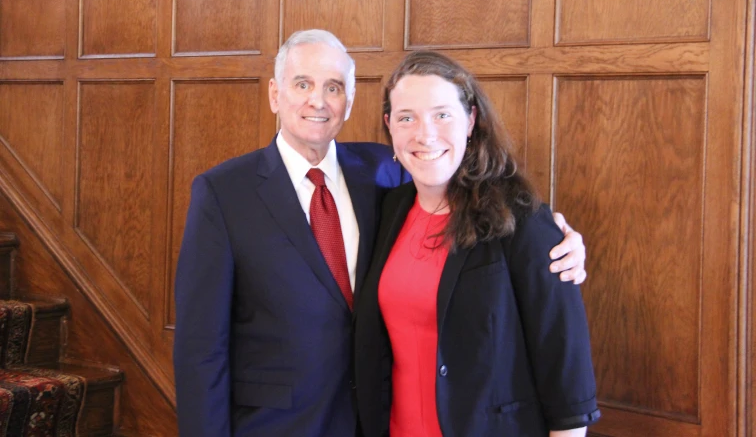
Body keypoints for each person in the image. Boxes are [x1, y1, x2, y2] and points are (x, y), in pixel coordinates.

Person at [173, 30, 588, 437]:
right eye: (303, 84)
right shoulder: (223, 192)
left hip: (375, 418)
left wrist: (557, 238)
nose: (318, 100)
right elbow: (200, 349)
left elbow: (478, 214)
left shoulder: (382, 175)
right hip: (280, 423)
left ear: (349, 102)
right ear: (274, 95)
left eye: (334, 87)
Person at [354, 51, 600, 437]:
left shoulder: (521, 219)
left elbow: (566, 368)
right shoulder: (387, 210)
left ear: (470, 120)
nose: (425, 133)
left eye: (442, 114)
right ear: (389, 126)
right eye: (407, 117)